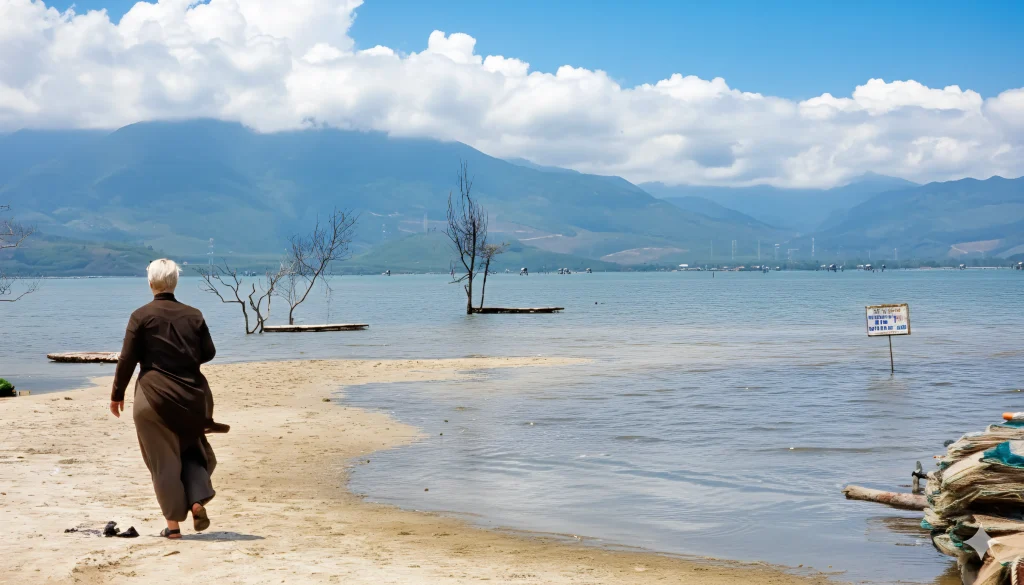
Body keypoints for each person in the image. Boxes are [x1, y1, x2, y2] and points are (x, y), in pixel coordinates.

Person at [109, 259, 227, 539]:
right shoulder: (194, 315)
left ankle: (173, 528)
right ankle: (196, 500)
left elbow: (127, 358)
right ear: (175, 282)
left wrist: (117, 394)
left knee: (163, 462)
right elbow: (208, 352)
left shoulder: (140, 316)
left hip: (153, 397)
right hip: (191, 396)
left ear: (151, 283)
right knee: (192, 450)